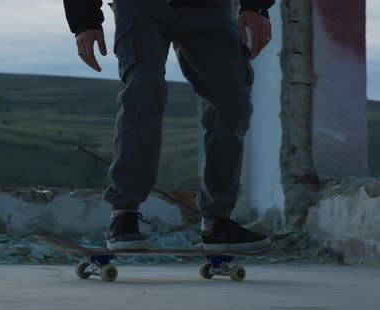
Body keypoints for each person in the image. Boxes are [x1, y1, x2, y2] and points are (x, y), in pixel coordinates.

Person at [63, 0, 274, 251]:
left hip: (210, 8)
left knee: (232, 103)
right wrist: (84, 20)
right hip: (141, 7)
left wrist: (256, 6)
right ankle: (124, 214)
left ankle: (217, 221)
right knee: (143, 92)